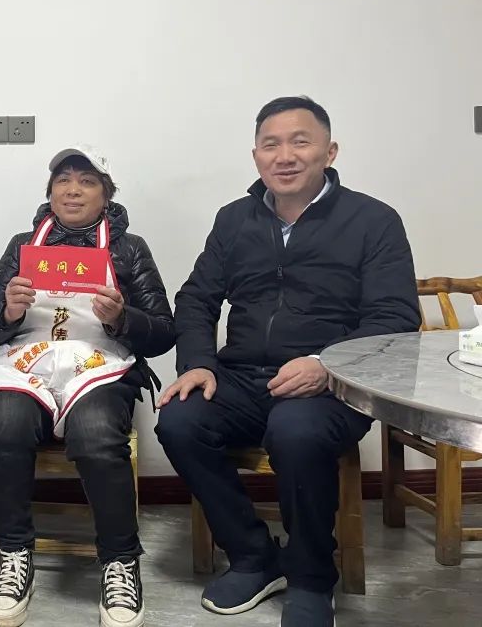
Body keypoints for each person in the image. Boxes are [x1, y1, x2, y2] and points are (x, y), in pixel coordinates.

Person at [155, 96, 420, 626]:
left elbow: (394, 316)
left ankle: (311, 576)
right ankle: (254, 556)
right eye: (271, 144)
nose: (285, 156)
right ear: (256, 155)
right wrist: (198, 363)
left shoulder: (373, 220)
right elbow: (197, 298)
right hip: (240, 376)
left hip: (334, 385)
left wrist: (326, 365)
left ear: (329, 152)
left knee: (296, 431)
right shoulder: (234, 219)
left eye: (300, 142)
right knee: (179, 421)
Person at [0, 145, 175, 627]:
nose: (73, 190)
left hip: (99, 365)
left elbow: (165, 331)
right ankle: (14, 555)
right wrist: (9, 312)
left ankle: (120, 561)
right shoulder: (24, 245)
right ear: (49, 193)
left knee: (97, 432)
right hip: (29, 363)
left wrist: (121, 317)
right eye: (63, 180)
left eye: (87, 181)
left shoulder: (129, 248)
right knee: (4, 425)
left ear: (107, 195)